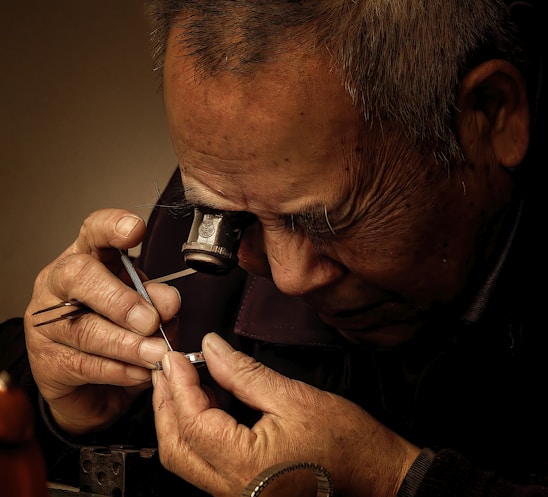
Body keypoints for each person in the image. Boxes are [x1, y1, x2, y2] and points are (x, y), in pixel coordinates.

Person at [8, 0, 548, 495]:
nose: (287, 279)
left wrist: (394, 482)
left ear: (490, 115)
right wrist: (77, 419)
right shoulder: (238, 179)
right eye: (234, 217)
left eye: (329, 222)